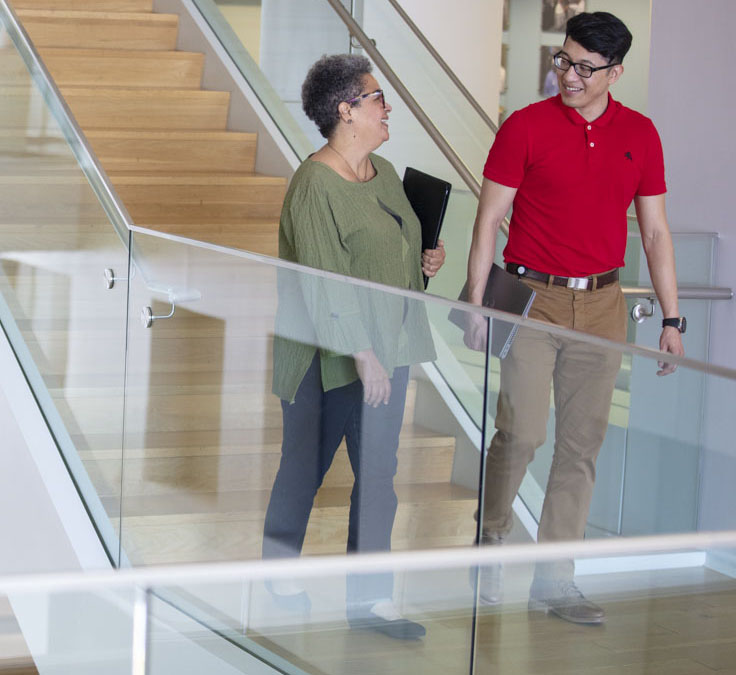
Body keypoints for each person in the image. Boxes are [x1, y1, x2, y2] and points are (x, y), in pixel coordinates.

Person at [464, 12, 684, 625]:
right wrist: (478, 303)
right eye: (564, 60)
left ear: (615, 72)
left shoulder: (640, 133)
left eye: (585, 67)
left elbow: (657, 232)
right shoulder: (525, 126)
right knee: (524, 432)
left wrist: (672, 317)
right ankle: (490, 541)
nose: (568, 75)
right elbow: (487, 221)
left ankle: (555, 581)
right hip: (532, 299)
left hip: (605, 306)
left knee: (581, 446)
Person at [262, 54, 445, 641]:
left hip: (388, 348)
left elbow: (390, 255)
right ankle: (277, 572)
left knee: (379, 476)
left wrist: (425, 261)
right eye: (376, 97)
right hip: (328, 357)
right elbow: (323, 282)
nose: (386, 106)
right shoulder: (314, 184)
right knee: (304, 469)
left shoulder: (384, 172)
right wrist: (363, 356)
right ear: (347, 110)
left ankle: (370, 601)